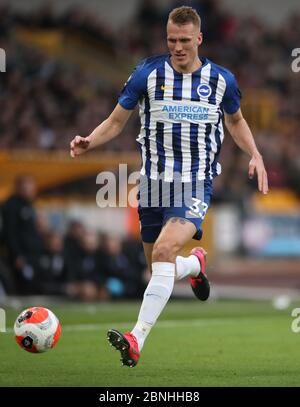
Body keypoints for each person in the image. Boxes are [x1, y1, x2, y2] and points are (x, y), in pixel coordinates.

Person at [70, 6, 268, 368]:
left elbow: (236, 121)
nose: (177, 47)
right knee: (157, 268)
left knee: (162, 254)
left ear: (199, 39)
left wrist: (255, 154)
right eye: (171, 40)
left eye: (184, 41)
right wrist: (90, 140)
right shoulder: (147, 73)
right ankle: (193, 266)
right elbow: (116, 121)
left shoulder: (221, 80)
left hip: (194, 184)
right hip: (153, 186)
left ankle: (136, 338)